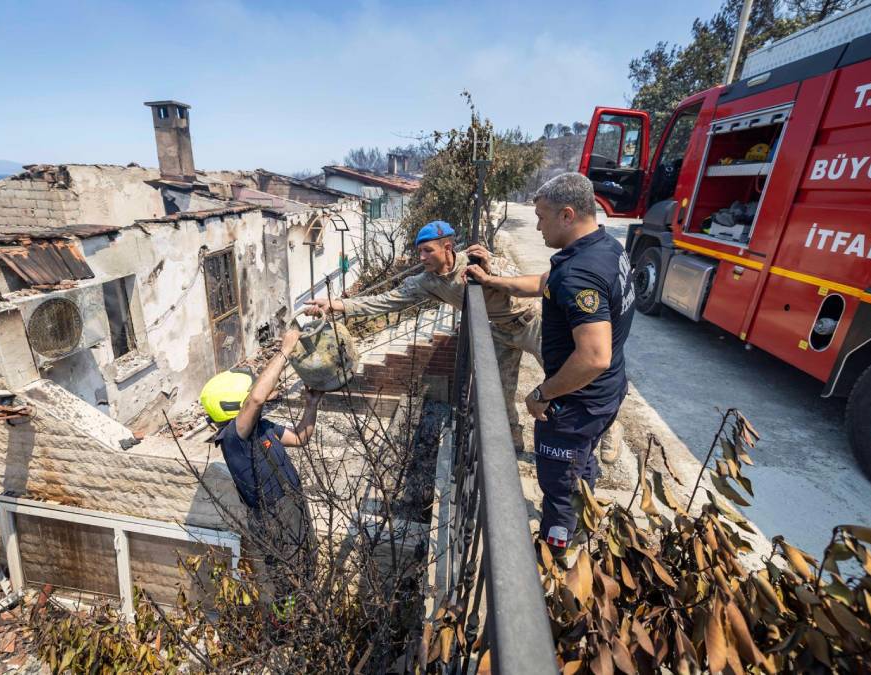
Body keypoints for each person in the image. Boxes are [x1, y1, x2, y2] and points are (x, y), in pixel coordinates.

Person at [465, 173, 634, 561]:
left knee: (558, 486)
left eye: (542, 217)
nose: (538, 225)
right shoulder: (605, 248)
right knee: (581, 464)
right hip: (606, 392)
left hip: (576, 404)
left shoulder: (581, 274)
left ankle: (556, 555)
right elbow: (547, 282)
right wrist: (494, 280)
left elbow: (593, 356)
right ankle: (583, 518)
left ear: (567, 215)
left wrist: (542, 394)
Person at [302, 220, 541, 451]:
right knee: (500, 394)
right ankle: (513, 442)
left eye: (428, 250)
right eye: (420, 251)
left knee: (559, 379)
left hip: (530, 321)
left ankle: (561, 447)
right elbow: (384, 301)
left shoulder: (474, 260)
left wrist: (490, 269)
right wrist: (337, 305)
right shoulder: (427, 282)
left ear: (447, 247)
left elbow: (521, 279)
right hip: (499, 331)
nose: (422, 257)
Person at [200, 326, 323, 614]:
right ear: (235, 404)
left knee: (307, 567)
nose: (260, 394)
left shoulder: (262, 427)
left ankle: (307, 616)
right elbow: (256, 398)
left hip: (292, 504)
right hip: (273, 517)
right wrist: (285, 349)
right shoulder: (234, 438)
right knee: (288, 582)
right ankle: (288, 626)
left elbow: (301, 438)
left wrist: (311, 405)